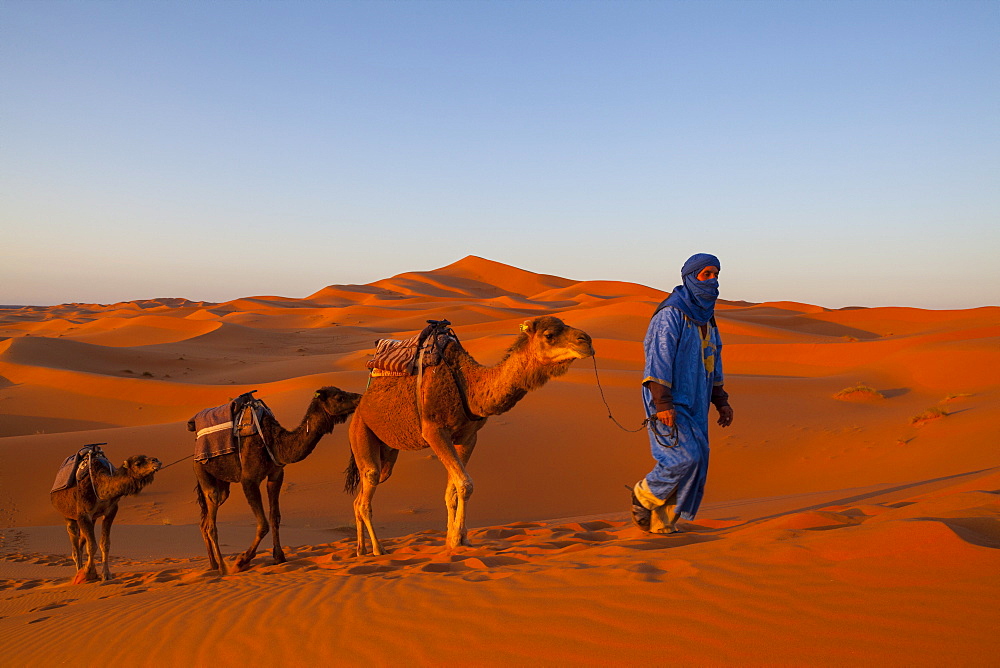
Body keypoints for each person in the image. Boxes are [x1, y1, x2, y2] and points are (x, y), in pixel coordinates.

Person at [631, 253, 734, 533]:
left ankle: (661, 522)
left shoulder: (706, 318)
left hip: (697, 400)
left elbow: (714, 358)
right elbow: (658, 360)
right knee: (683, 457)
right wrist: (662, 402)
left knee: (697, 459)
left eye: (716, 274)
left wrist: (721, 401)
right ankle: (644, 495)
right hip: (667, 399)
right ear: (690, 277)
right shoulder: (671, 314)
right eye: (706, 275)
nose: (713, 281)